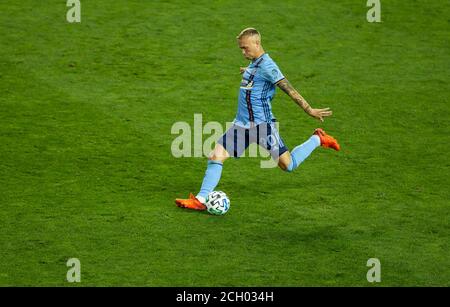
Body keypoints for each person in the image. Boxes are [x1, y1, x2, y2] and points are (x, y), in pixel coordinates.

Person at [175, 28, 340, 210]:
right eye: (241, 48)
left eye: (245, 48)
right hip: (241, 125)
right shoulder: (254, 63)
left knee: (288, 165)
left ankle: (318, 138)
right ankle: (200, 200)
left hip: (262, 127)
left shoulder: (269, 66)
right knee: (216, 156)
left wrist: (309, 110)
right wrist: (248, 71)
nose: (243, 52)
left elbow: (289, 89)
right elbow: (256, 73)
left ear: (257, 43)